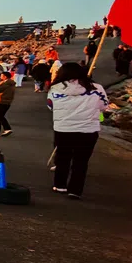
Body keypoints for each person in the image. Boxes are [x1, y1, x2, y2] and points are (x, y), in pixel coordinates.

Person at [48, 63, 109, 199]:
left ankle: (60, 185)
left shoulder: (55, 88)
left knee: (63, 158)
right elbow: (104, 105)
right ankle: (75, 190)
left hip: (63, 129)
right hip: (88, 130)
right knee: (81, 161)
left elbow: (50, 106)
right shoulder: (96, 88)